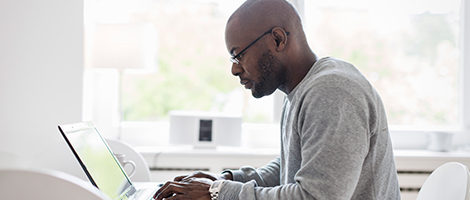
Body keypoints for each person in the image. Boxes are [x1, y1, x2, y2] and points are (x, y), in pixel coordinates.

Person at [153, 0, 401, 199]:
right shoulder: (301, 89)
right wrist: (226, 181)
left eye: (238, 55)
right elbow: (291, 168)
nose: (234, 70)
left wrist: (218, 194)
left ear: (278, 40)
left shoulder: (333, 91)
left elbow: (316, 196)